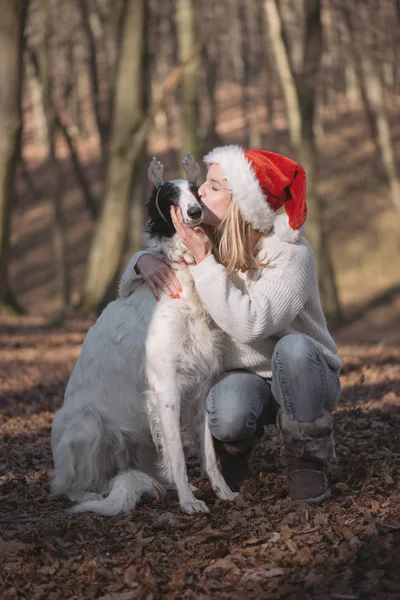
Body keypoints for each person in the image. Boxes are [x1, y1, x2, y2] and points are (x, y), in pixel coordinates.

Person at [119, 146, 342, 505]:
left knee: (294, 349)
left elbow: (251, 324)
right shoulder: (210, 238)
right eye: (203, 183)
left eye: (214, 186)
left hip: (308, 377)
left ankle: (306, 464)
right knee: (225, 412)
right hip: (250, 377)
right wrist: (140, 262)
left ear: (242, 202)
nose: (200, 191)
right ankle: (234, 456)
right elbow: (162, 253)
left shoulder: (291, 254)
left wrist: (206, 262)